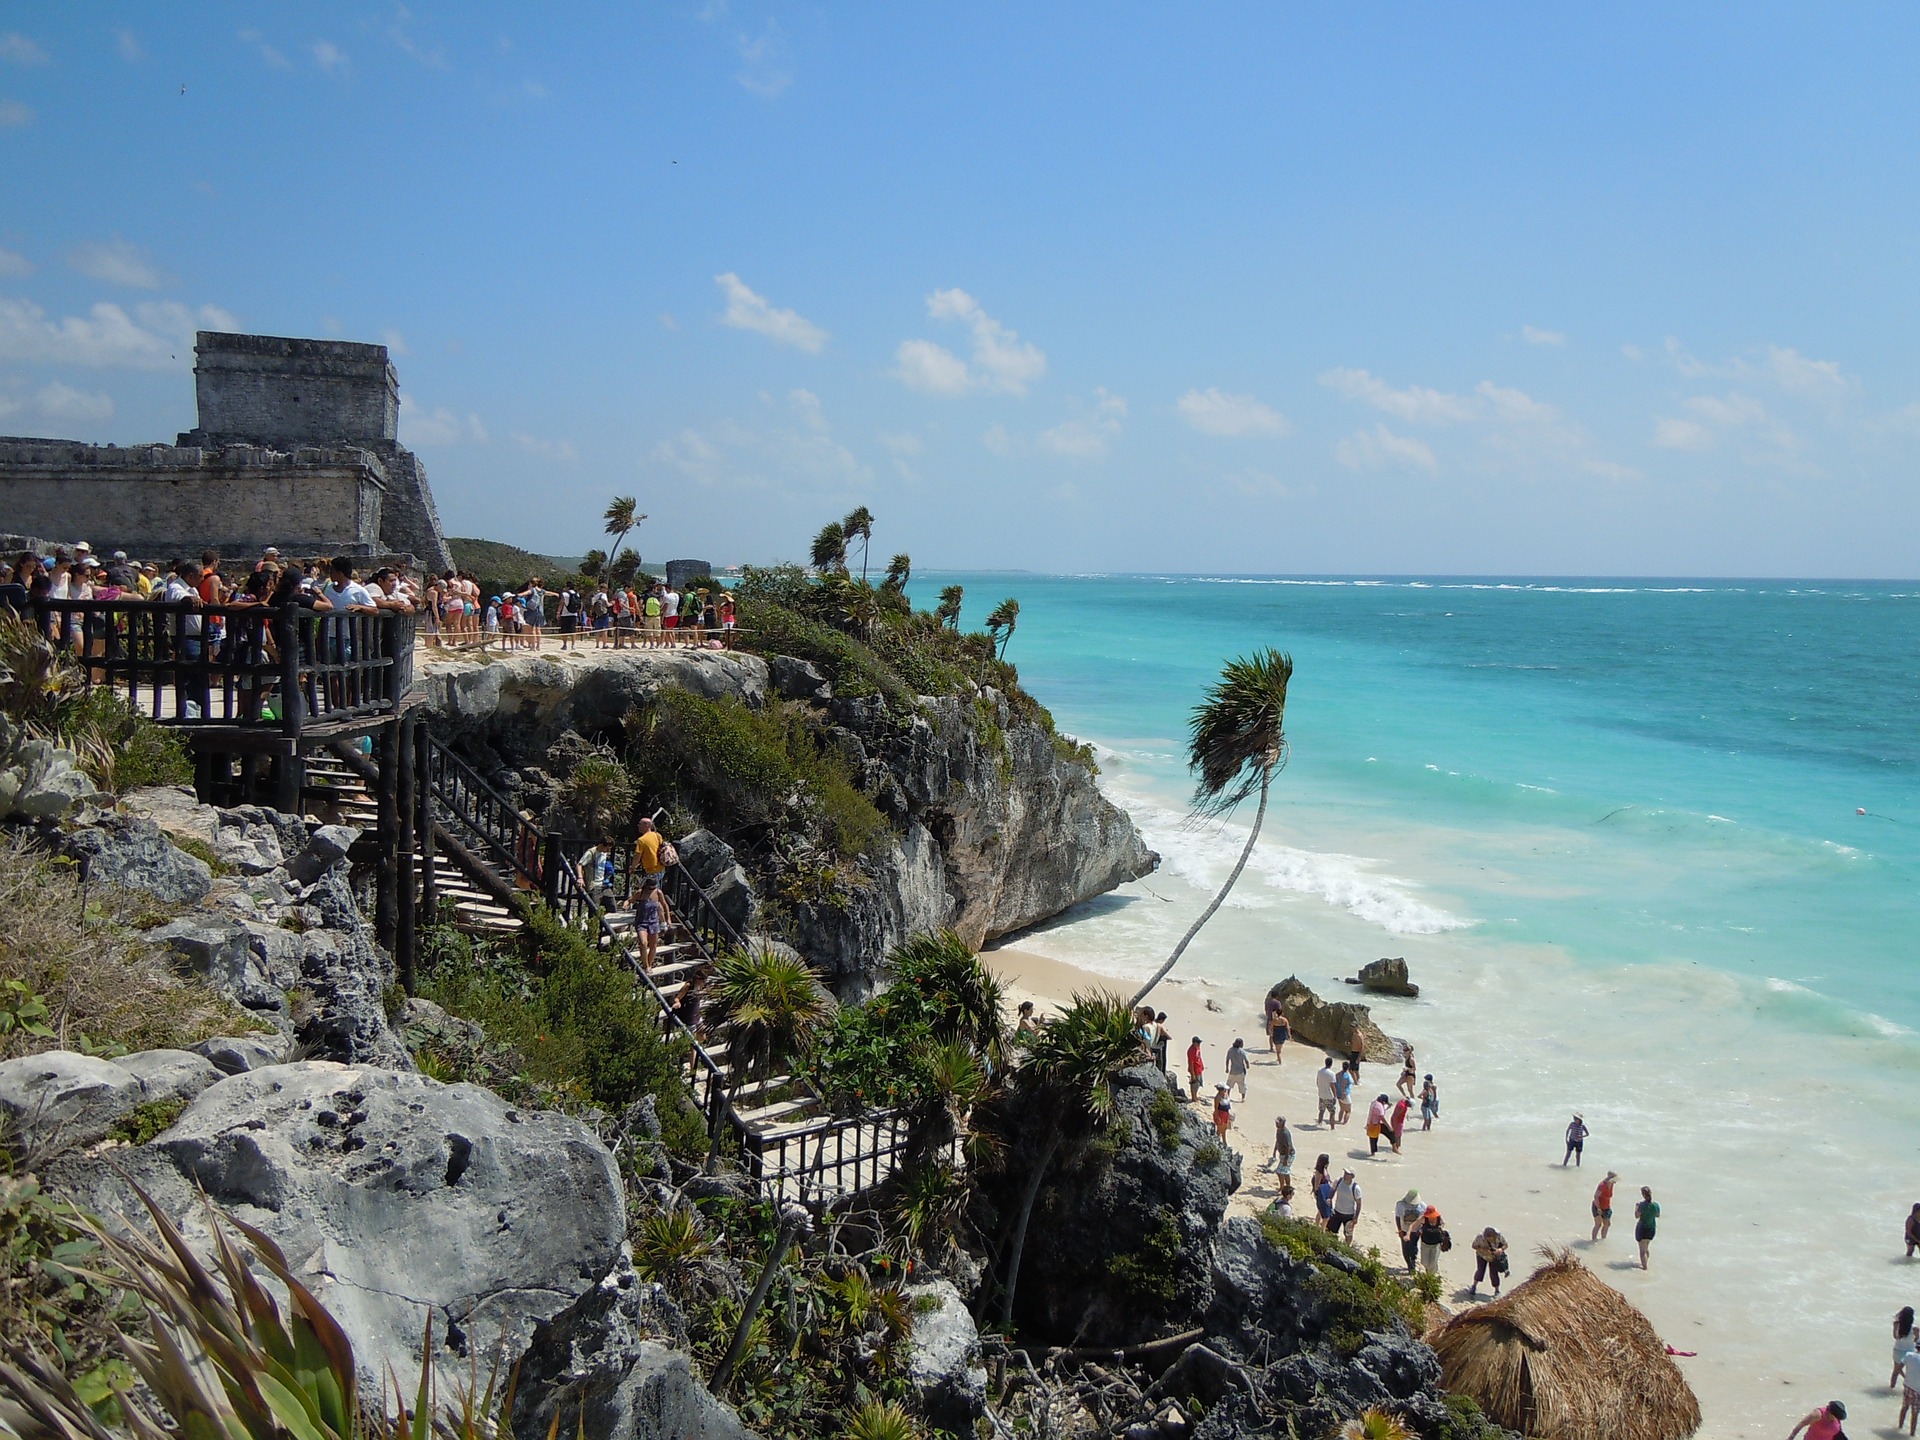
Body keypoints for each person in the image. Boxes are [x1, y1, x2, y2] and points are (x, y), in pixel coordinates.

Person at [634, 876, 672, 971]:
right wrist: (626, 904)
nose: (651, 890)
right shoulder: (641, 893)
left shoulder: (658, 893)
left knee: (653, 945)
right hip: (641, 922)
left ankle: (649, 965)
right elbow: (630, 900)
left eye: (653, 888)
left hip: (654, 922)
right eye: (650, 888)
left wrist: (668, 919)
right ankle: (646, 965)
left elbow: (665, 905)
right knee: (643, 943)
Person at [631, 816, 669, 891]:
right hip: (661, 868)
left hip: (652, 870)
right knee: (655, 891)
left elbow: (637, 856)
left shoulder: (641, 840)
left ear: (647, 825)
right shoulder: (657, 835)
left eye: (640, 824)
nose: (638, 826)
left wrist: (633, 867)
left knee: (651, 893)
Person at [1470, 1227, 1509, 1298]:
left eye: (1491, 1238)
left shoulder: (1499, 1236)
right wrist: (1483, 1249)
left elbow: (1506, 1245)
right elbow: (1473, 1246)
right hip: (1481, 1255)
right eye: (1487, 1238)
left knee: (1494, 1273)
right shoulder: (1480, 1237)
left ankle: (1497, 1290)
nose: (1489, 1240)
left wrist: (1500, 1249)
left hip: (1494, 1257)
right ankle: (1474, 1286)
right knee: (1480, 1271)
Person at [1394, 1189, 1424, 1272]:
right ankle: (1409, 1264)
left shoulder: (1422, 1206)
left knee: (1413, 1248)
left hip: (1415, 1232)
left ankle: (1412, 1266)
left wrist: (1421, 1230)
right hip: (1404, 1230)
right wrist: (1399, 1230)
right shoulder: (1400, 1205)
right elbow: (1397, 1217)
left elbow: (1424, 1220)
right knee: (1405, 1249)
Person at [1418, 1206, 1451, 1275]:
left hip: (1436, 1244)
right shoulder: (1424, 1219)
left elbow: (1443, 1224)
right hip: (1425, 1243)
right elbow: (1417, 1225)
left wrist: (1439, 1229)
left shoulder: (1439, 1218)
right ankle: (1429, 1270)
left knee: (1433, 1262)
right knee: (1424, 1262)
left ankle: (1431, 1275)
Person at [1330, 1169, 1362, 1241]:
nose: (1345, 1174)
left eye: (1347, 1173)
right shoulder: (1339, 1181)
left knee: (1348, 1233)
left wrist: (1356, 1217)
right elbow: (1333, 1190)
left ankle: (1347, 1248)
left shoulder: (1355, 1188)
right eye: (1345, 1172)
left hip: (1349, 1215)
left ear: (1352, 1176)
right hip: (1337, 1212)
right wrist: (1329, 1199)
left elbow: (1359, 1203)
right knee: (1330, 1231)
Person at [1633, 1186, 1659, 1269]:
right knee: (1646, 1248)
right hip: (1652, 1228)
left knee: (1642, 1251)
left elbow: (1636, 1216)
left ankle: (1644, 1267)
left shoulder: (1642, 1205)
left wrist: (1636, 1207)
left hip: (1643, 1228)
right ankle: (1646, 1263)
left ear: (1643, 1195)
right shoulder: (1655, 1205)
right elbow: (1657, 1215)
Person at [1893, 1306, 1917, 1390]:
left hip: (1898, 1350)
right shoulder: (1915, 1328)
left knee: (1895, 1372)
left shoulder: (1897, 1325)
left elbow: (1895, 1337)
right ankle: (1908, 1388)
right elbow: (1916, 1340)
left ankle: (1892, 1388)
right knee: (1910, 1371)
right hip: (1910, 1351)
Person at [1266, 1115, 1296, 1183]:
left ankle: (1283, 1188)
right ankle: (1286, 1186)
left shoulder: (1285, 1133)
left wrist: (1286, 1158)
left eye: (1277, 1122)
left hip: (1288, 1155)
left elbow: (1288, 1146)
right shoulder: (1278, 1130)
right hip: (1282, 1154)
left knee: (1280, 1172)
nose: (1276, 1124)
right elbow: (1277, 1141)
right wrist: (1274, 1151)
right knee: (1284, 1172)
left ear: (1282, 1123)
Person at [1591, 1171, 1618, 1241]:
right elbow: (1596, 1196)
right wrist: (1599, 1208)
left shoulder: (1611, 1184)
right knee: (1598, 1224)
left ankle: (1603, 1239)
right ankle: (1593, 1240)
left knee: (1607, 1224)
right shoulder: (1602, 1185)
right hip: (1598, 1206)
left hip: (1606, 1207)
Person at [1315, 1057, 1338, 1127]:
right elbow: (1332, 1086)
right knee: (1332, 1112)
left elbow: (1317, 1082)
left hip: (1321, 1095)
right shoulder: (1332, 1074)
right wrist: (1335, 1096)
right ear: (1331, 1064)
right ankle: (1332, 1128)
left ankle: (1319, 1124)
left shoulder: (1320, 1071)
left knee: (1321, 1111)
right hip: (1329, 1096)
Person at [1334, 1061, 1355, 1126]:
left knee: (1342, 1109)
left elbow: (1335, 1084)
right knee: (1348, 1111)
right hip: (1345, 1094)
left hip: (1338, 1094)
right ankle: (1344, 1124)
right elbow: (1344, 1085)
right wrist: (1344, 1093)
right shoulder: (1347, 1076)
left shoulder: (1337, 1074)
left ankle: (1339, 1121)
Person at [1186, 1036, 1205, 1102]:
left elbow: (1199, 1056)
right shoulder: (1191, 1051)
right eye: (1198, 1042)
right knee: (1194, 1084)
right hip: (1194, 1069)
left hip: (1199, 1068)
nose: (1199, 1044)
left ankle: (1195, 1096)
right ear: (1194, 1042)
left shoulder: (1198, 1048)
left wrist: (1202, 1065)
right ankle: (1193, 1097)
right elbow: (1191, 1063)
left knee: (1198, 1083)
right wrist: (1192, 1074)